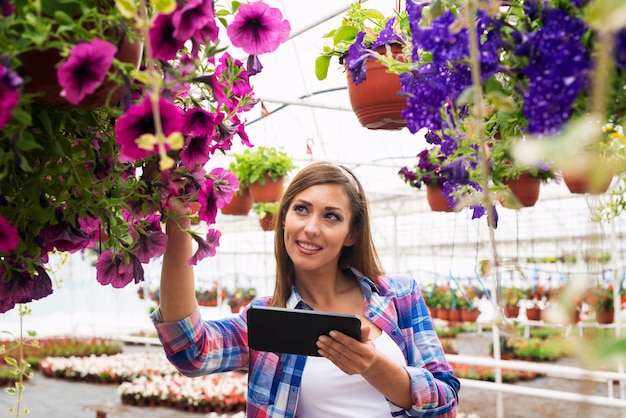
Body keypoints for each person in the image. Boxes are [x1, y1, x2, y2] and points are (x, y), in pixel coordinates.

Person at [151, 161, 460, 417]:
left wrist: (374, 366)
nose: (311, 227)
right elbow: (191, 351)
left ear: (351, 233)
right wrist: (179, 225)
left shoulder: (398, 295)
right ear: (283, 219)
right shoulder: (268, 319)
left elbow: (447, 404)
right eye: (301, 209)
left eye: (331, 216)